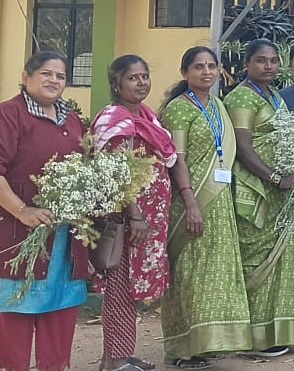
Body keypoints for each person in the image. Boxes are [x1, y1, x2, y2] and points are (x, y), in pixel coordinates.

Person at [0, 52, 90, 371]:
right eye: (46, 73)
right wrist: (22, 210)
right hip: (13, 235)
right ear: (25, 77)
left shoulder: (70, 118)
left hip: (61, 238)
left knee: (59, 314)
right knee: (13, 319)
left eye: (60, 76)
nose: (53, 81)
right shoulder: (6, 116)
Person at [223, 39, 294, 355]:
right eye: (261, 60)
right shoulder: (242, 96)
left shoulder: (274, 95)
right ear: (246, 64)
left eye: (273, 60)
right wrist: (276, 178)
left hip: (286, 193)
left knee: (288, 261)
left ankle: (280, 330)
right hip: (258, 191)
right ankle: (254, 337)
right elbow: (244, 148)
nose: (268, 66)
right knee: (257, 261)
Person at [158, 47, 253, 367]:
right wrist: (191, 202)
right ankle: (181, 348)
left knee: (217, 274)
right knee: (191, 274)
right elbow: (177, 160)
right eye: (198, 67)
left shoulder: (219, 106)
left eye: (212, 66)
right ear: (185, 72)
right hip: (192, 202)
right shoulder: (178, 109)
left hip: (221, 203)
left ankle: (209, 344)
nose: (207, 72)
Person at [93, 55, 177, 371]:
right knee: (119, 289)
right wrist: (136, 214)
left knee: (129, 289)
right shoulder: (114, 120)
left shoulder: (145, 115)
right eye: (133, 78)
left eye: (144, 76)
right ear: (117, 84)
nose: (141, 82)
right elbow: (116, 172)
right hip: (126, 219)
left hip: (146, 218)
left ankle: (118, 356)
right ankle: (115, 361)